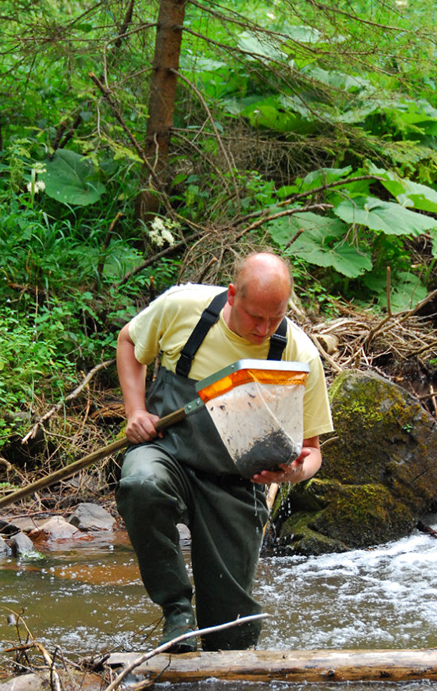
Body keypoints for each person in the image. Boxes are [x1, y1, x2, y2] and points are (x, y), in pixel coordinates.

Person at [115, 251, 333, 652]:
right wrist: (136, 410)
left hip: (237, 486)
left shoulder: (298, 354)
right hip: (168, 456)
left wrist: (293, 473)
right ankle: (177, 610)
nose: (265, 328)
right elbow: (129, 339)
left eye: (276, 317)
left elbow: (313, 452)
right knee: (140, 484)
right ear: (233, 295)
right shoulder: (182, 309)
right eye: (256, 317)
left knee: (229, 638)